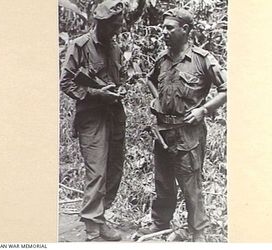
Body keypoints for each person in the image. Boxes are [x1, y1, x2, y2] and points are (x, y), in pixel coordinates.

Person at [138, 7, 227, 242]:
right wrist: (156, 98)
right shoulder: (162, 59)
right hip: (163, 131)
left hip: (188, 133)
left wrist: (203, 110)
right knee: (163, 181)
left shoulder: (202, 59)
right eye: (163, 27)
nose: (163, 32)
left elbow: (227, 89)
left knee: (190, 183)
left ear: (185, 30)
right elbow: (149, 78)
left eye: (169, 28)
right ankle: (160, 222)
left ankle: (198, 231)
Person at [60, 0, 126, 241]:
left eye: (120, 25)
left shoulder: (115, 48)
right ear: (101, 24)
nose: (118, 30)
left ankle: (101, 215)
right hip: (91, 115)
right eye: (115, 25)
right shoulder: (79, 46)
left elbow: (120, 77)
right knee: (97, 169)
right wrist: (97, 93)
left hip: (114, 114)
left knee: (114, 167)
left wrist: (118, 90)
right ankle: (91, 222)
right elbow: (66, 82)